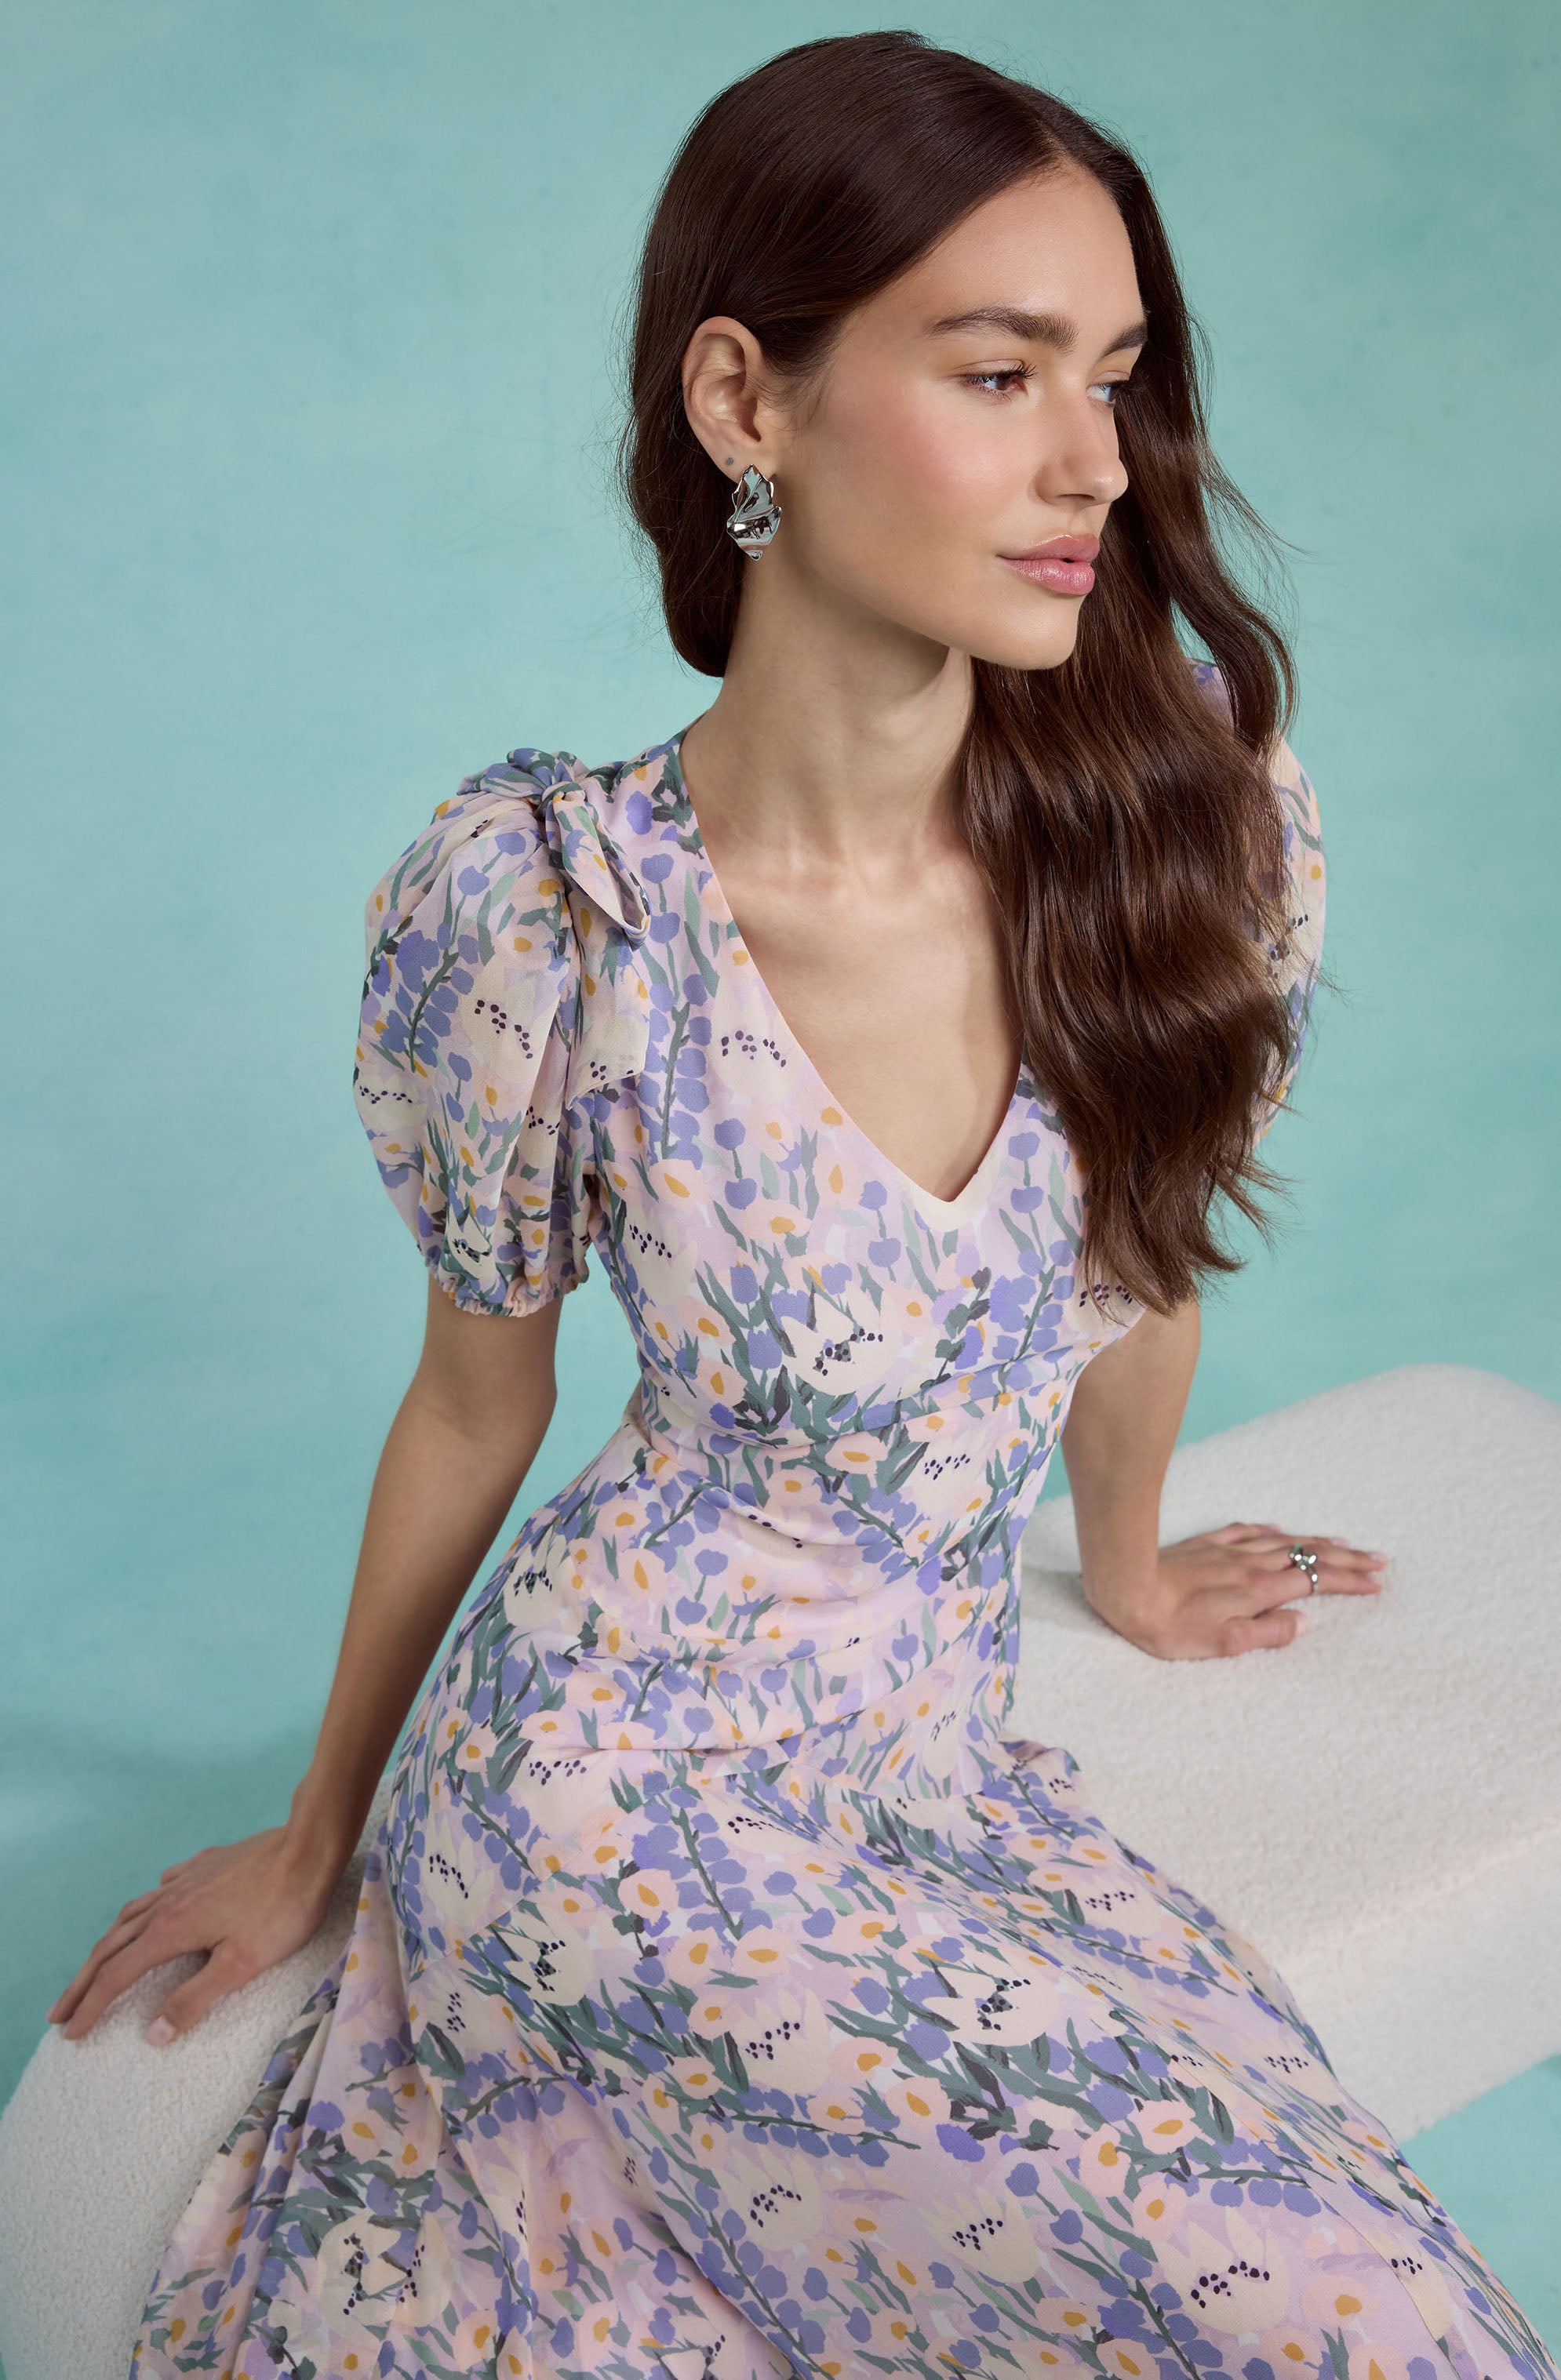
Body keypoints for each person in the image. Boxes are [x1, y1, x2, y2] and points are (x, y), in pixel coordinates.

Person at [49, 30, 1553, 2380]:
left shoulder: (1188, 827)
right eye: (1000, 368)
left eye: (1121, 375)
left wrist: (1129, 1569)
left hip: (929, 1765)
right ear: (748, 402)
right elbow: (475, 1402)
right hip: (607, 1793)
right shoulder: (556, 911)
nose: (1096, 465)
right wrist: (318, 1823)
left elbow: (1136, 1257)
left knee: (1381, 2298)